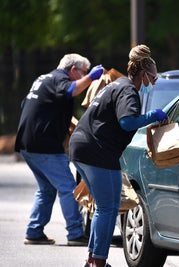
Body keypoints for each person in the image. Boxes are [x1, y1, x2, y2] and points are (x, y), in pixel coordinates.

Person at [69, 44, 167, 267]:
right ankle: (99, 262)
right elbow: (127, 122)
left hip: (82, 148)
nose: (152, 82)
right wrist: (153, 115)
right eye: (152, 77)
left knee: (102, 207)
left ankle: (92, 259)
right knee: (108, 207)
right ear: (142, 73)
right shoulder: (128, 90)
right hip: (97, 151)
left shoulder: (117, 84)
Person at [14, 54, 104, 246]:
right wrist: (92, 77)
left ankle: (34, 232)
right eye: (83, 72)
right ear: (73, 70)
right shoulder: (60, 79)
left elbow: (27, 105)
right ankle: (75, 233)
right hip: (44, 145)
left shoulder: (44, 79)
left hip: (28, 143)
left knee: (46, 190)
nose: (84, 77)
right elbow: (71, 90)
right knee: (68, 188)